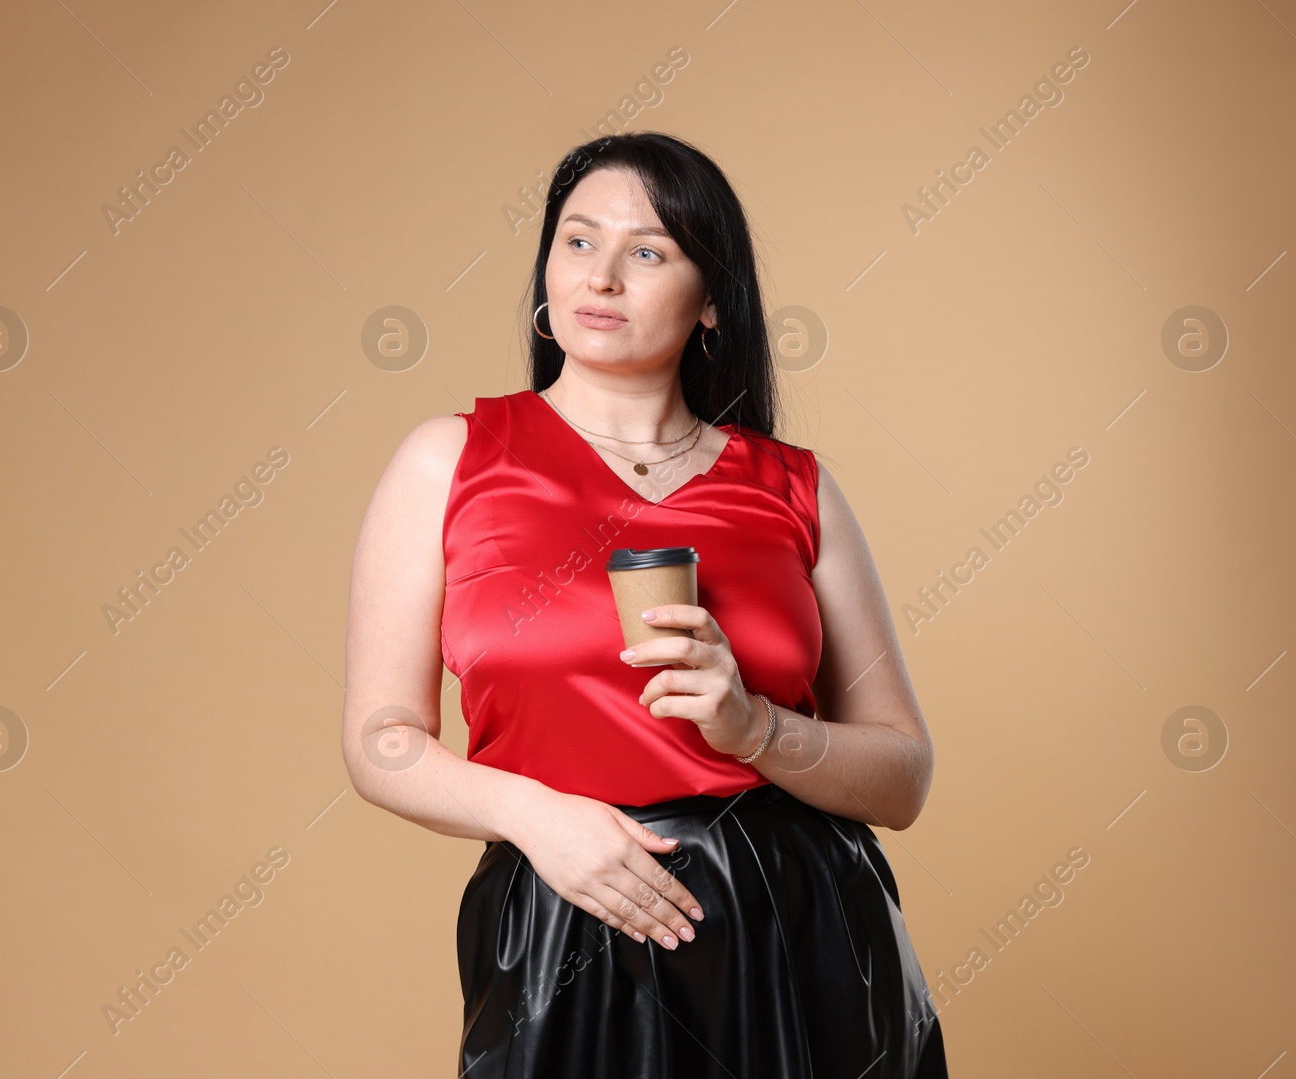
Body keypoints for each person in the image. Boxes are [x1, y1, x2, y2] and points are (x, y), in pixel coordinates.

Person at [343, 131, 949, 1078]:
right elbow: (380, 739)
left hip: (794, 929)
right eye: (578, 242)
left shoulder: (793, 487)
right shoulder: (450, 459)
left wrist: (755, 726)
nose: (604, 276)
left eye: (649, 251)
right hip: (563, 921)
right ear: (546, 273)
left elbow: (902, 774)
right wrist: (539, 819)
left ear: (712, 302)